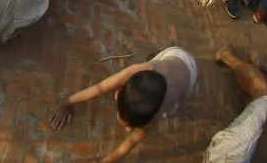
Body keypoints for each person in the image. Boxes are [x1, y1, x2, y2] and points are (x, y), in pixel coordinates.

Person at [49, 46, 199, 161]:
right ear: (117, 93)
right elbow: (97, 89)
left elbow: (133, 140)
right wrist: (65, 103)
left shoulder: (162, 106)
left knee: (172, 106)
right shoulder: (134, 71)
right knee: (154, 64)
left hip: (189, 74)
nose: (128, 130)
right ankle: (156, 57)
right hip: (172, 55)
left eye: (130, 125)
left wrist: (107, 161)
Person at [206, 46, 267, 162]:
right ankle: (247, 68)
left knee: (263, 92)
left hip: (225, 154)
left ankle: (226, 56)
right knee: (264, 92)